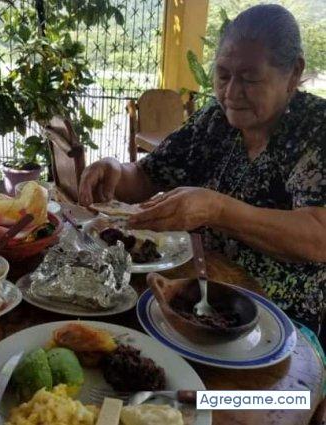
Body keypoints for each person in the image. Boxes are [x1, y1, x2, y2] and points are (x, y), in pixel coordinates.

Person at [78, 4, 326, 337]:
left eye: (250, 79)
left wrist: (217, 209)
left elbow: (319, 236)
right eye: (223, 75)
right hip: (197, 297)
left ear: (293, 73)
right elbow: (148, 175)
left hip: (281, 320)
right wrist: (115, 170)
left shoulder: (316, 129)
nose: (231, 93)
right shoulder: (214, 121)